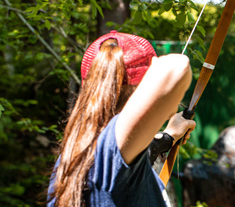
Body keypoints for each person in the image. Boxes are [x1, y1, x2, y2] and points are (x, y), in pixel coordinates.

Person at [47, 31, 196, 207]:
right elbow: (179, 67)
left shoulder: (80, 149)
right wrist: (152, 63)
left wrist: (167, 137)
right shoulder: (110, 147)